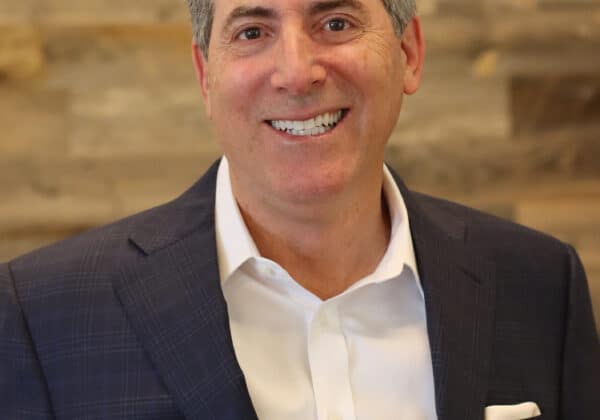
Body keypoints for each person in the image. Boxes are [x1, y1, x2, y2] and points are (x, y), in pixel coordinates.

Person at [1, 0, 598, 418]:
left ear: (409, 52)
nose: (295, 72)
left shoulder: (542, 284)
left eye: (335, 22)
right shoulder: (42, 315)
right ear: (205, 75)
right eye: (252, 32)